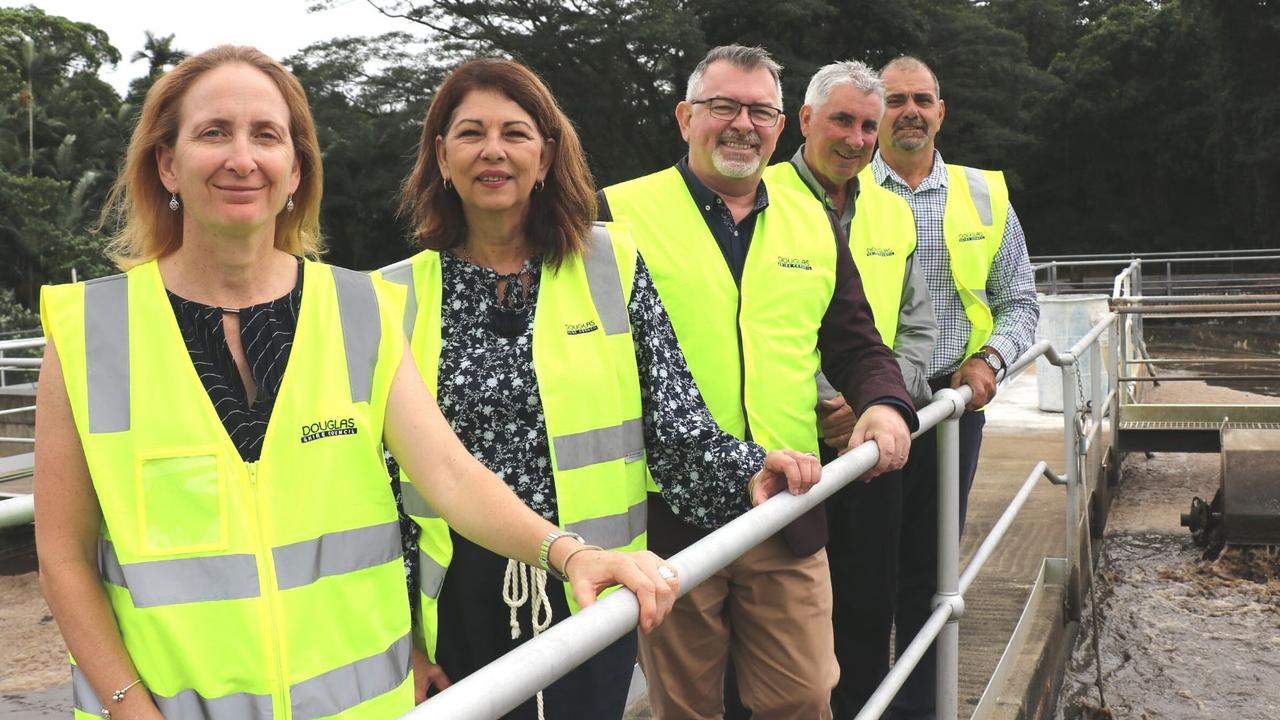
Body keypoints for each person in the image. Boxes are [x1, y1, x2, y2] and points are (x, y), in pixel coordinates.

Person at [33, 46, 697, 720]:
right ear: (167, 163)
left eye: (266, 135)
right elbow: (63, 554)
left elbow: (451, 476)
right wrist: (127, 704)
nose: (243, 158)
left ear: (297, 168)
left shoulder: (358, 310)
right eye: (213, 133)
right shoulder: (89, 332)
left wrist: (568, 554)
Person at [378, 57, 822, 720]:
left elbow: (676, 427)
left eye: (516, 133)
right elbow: (377, 497)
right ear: (441, 157)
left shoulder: (612, 264)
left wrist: (754, 468)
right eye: (470, 134)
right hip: (456, 604)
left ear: (548, 154)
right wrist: (400, 646)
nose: (493, 150)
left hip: (596, 587)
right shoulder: (389, 296)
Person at [599, 45, 919, 720]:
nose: (742, 124)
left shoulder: (813, 219)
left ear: (781, 127)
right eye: (723, 107)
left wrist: (885, 405)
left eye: (760, 111)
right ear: (686, 116)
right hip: (668, 517)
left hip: (789, 505)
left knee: (803, 695)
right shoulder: (615, 217)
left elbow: (856, 341)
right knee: (687, 707)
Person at [761, 59, 936, 718]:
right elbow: (748, 326)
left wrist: (881, 401)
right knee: (779, 627)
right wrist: (827, 400)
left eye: (869, 125)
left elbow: (917, 326)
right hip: (785, 454)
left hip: (868, 455)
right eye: (842, 120)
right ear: (804, 120)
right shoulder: (759, 202)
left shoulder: (894, 214)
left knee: (868, 605)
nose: (858, 139)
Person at [870, 55, 1040, 720]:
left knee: (930, 571)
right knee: (858, 570)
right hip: (857, 410)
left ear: (941, 111)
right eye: (894, 100)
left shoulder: (982, 194)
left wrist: (989, 361)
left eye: (922, 99)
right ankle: (854, 699)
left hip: (949, 407)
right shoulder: (843, 188)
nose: (909, 110)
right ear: (872, 112)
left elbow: (1019, 300)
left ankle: (915, 709)